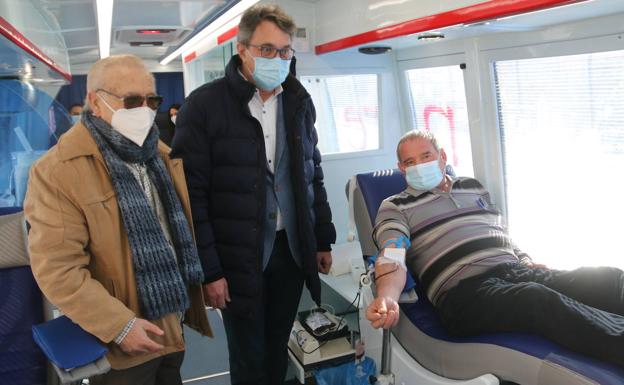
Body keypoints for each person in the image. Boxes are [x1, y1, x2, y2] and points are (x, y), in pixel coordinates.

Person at [171, 4, 336, 385]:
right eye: (266, 49)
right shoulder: (204, 105)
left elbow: (313, 173)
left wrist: (321, 239)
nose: (277, 59)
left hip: (291, 250)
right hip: (237, 256)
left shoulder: (299, 102)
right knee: (248, 355)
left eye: (284, 51)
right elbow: (191, 197)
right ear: (241, 49)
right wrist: (209, 270)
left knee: (279, 346)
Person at [25, 54, 212, 385]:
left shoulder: (161, 155)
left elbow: (175, 235)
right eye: (131, 100)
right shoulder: (58, 172)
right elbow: (58, 270)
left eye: (150, 100)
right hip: (118, 345)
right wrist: (120, 325)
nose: (144, 109)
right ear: (95, 102)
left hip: (171, 325)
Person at [366, 129, 624, 368]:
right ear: (401, 168)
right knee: (536, 298)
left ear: (442, 156)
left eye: (426, 156)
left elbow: (498, 233)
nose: (420, 166)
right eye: (410, 162)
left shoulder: (472, 186)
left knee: (608, 278)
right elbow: (392, 255)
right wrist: (387, 296)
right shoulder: (395, 206)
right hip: (465, 294)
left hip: (514, 272)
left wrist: (524, 259)